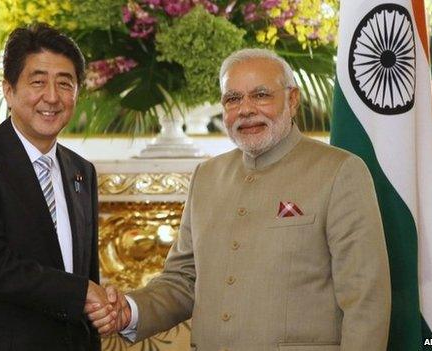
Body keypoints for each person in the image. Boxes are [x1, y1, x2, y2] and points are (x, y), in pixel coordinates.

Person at [89, 48, 391, 350]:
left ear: (293, 99)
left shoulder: (338, 171)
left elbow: (365, 298)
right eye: (233, 99)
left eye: (261, 95)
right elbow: (183, 281)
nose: (245, 109)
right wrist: (131, 310)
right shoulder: (207, 176)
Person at [0, 24, 115, 351]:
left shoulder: (81, 172)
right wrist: (81, 292)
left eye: (65, 83)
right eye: (38, 82)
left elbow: (84, 272)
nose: (51, 96)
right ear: (8, 90)